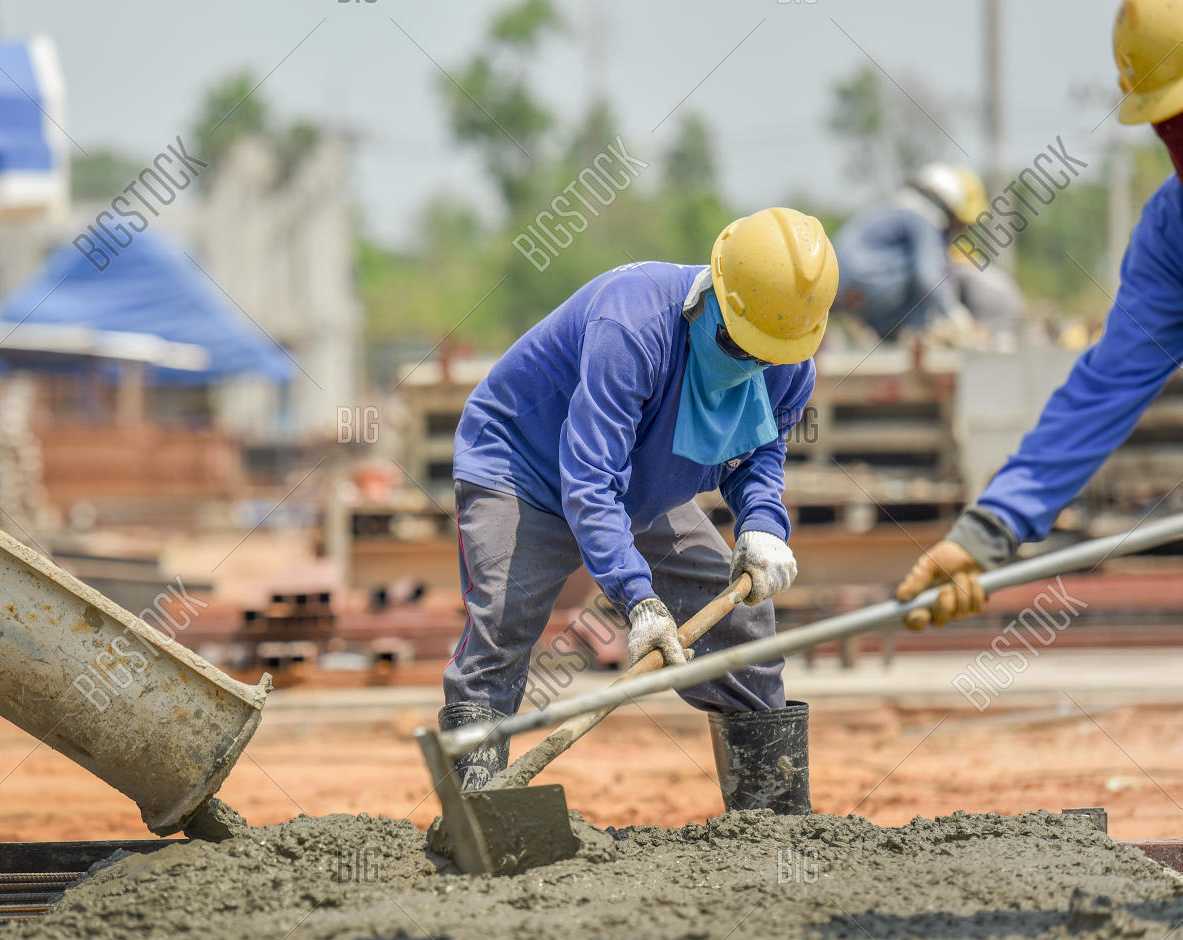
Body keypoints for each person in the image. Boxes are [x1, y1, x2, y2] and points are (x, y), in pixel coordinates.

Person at [441, 207, 838, 814]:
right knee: (502, 624)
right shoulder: (632, 323)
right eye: (739, 343)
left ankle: (773, 820)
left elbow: (759, 459)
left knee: (743, 630)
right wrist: (638, 599)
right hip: (525, 467)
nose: (752, 363)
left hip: (641, 486)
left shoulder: (787, 363)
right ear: (714, 292)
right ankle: (475, 817)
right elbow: (590, 479)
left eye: (769, 354)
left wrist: (761, 525)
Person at [896, 0, 1183, 628]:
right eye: (1166, 124)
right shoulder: (1173, 231)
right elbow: (1103, 389)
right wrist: (986, 530)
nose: (1177, 142)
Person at [834, 163, 989, 344]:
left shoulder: (898, 208)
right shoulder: (922, 218)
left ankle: (893, 336)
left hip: (841, 288)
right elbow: (928, 277)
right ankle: (913, 333)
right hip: (864, 286)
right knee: (931, 270)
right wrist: (958, 318)